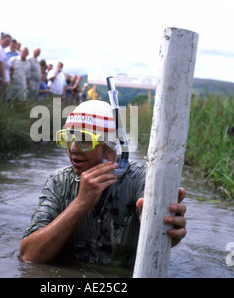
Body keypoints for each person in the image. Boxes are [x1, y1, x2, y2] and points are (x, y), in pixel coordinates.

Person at [20, 100, 187, 265]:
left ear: (110, 146)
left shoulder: (141, 180)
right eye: (68, 137)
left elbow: (161, 233)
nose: (72, 148)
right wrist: (80, 203)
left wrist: (168, 231)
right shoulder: (59, 182)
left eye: (84, 139)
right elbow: (29, 255)